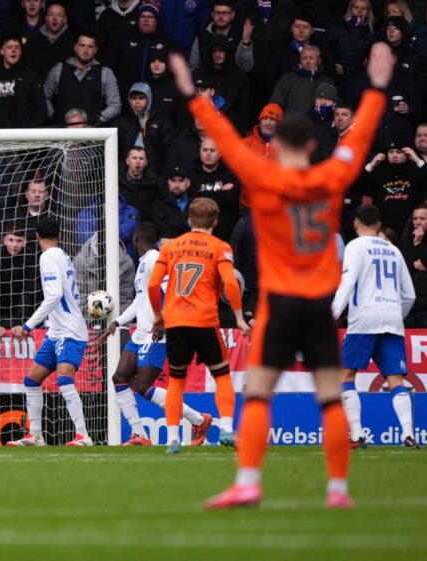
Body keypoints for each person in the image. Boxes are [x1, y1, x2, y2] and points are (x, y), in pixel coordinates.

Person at [170, 42, 392, 508]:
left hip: (278, 303)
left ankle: (248, 481)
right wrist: (375, 87)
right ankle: (337, 490)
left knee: (257, 394)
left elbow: (225, 138)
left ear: (277, 146)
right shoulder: (331, 178)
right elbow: (359, 137)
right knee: (330, 397)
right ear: (311, 145)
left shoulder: (263, 176)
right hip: (318, 305)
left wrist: (193, 93)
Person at [147, 197, 248, 455]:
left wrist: (159, 315)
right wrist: (238, 317)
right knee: (222, 376)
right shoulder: (220, 247)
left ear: (189, 220)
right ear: (216, 221)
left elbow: (152, 284)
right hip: (204, 320)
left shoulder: (171, 248)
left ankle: (172, 440)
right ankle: (226, 428)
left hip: (176, 322)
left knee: (176, 381)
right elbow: (231, 283)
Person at [99, 222, 213, 446]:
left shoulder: (154, 259)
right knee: (119, 378)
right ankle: (140, 434)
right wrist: (118, 323)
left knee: (144, 387)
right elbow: (140, 302)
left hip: (156, 334)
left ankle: (198, 419)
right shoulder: (143, 263)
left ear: (135, 239)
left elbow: (174, 291)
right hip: (140, 333)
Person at [333, 205, 417, 450]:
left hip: (364, 319)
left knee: (346, 376)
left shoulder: (355, 246)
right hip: (392, 319)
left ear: (355, 224)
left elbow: (347, 284)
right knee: (396, 380)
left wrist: (332, 316)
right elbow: (409, 294)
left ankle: (358, 436)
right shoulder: (394, 250)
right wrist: (394, 315)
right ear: (379, 225)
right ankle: (408, 435)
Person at [6, 217, 92, 447]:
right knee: (32, 380)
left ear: (36, 236)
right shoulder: (63, 255)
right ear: (60, 235)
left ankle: (83, 436)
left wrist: (28, 325)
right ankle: (35, 436)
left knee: (64, 379)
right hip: (56, 331)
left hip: (69, 331)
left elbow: (53, 295)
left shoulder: (48, 257)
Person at [43, 32, 121, 127]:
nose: (86, 50)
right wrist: (55, 117)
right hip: (62, 133)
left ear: (95, 50)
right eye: (82, 45)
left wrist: (99, 119)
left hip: (93, 135)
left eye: (90, 46)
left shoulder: (105, 73)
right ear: (75, 47)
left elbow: (115, 105)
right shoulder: (58, 69)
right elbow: (44, 98)